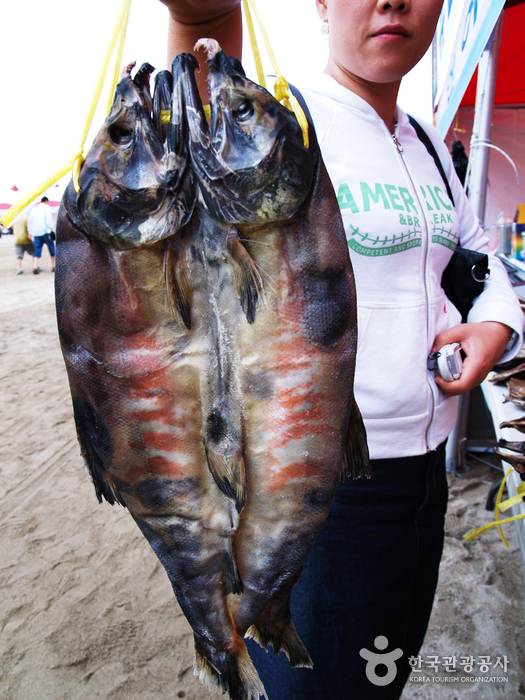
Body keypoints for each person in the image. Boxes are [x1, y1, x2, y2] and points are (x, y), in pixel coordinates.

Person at [159, 2, 524, 698]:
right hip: (307, 490)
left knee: (381, 676)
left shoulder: (424, 143)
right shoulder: (274, 125)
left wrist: (494, 328)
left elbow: (480, 263)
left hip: (420, 485)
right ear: (320, 4)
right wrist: (198, 16)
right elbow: (189, 126)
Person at [27, 196, 55, 274]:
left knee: (36, 250)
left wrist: (30, 231)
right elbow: (48, 220)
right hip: (46, 232)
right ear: (46, 201)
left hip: (36, 233)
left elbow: (30, 220)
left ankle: (35, 266)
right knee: (51, 248)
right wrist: (52, 229)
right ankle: (53, 266)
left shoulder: (34, 208)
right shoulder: (46, 208)